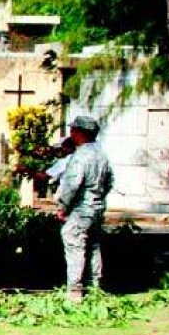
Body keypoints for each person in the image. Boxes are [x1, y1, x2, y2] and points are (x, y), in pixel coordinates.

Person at [56, 115, 114, 300]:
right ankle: (94, 286)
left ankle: (75, 291)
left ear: (80, 133)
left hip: (82, 207)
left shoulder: (81, 155)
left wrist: (63, 206)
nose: (71, 133)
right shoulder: (102, 154)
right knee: (93, 245)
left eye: (73, 130)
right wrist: (99, 197)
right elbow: (110, 181)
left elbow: (72, 184)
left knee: (74, 243)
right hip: (97, 205)